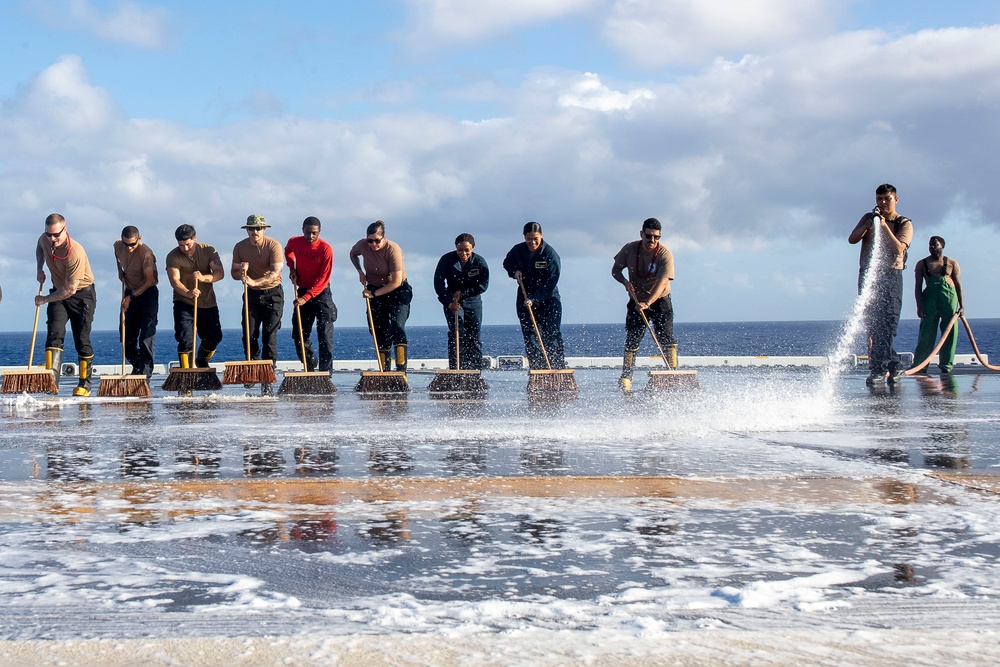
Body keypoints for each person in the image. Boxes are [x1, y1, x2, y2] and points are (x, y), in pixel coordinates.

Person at [849, 183, 913, 385]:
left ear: (895, 200)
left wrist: (884, 225)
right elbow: (852, 239)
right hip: (869, 274)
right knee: (874, 326)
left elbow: (898, 249)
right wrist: (869, 225)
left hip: (891, 275)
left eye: (887, 199)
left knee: (888, 325)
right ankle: (892, 366)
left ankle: (881, 368)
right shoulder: (869, 218)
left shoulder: (903, 223)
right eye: (879, 199)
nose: (883, 203)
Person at [35, 213, 97, 396]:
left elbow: (70, 290)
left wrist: (45, 299)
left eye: (56, 235)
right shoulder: (44, 239)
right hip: (57, 290)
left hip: (81, 295)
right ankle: (52, 383)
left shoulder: (75, 253)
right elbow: (39, 248)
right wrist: (40, 268)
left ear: (65, 229)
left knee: (81, 338)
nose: (52, 239)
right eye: (49, 234)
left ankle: (85, 384)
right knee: (54, 333)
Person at [611, 217, 675, 391]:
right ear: (642, 234)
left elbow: (662, 283)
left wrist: (647, 303)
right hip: (636, 299)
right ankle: (626, 376)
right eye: (649, 236)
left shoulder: (665, 254)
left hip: (659, 300)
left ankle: (672, 372)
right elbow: (615, 270)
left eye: (656, 237)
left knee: (667, 339)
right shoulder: (630, 249)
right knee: (632, 340)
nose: (652, 240)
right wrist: (625, 282)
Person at [349, 220, 412, 373]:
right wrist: (360, 272)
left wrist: (374, 294)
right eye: (370, 241)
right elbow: (353, 254)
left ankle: (401, 370)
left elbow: (396, 282)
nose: (374, 244)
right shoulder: (362, 245)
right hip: (374, 288)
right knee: (378, 330)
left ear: (384, 237)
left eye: (377, 241)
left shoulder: (393, 249)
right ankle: (385, 371)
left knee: (397, 326)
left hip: (397, 291)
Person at [502, 221, 566, 370]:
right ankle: (538, 369)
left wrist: (536, 299)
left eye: (535, 238)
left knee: (551, 335)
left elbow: (552, 280)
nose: (532, 242)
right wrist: (514, 271)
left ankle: (557, 369)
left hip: (548, 298)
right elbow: (507, 263)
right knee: (531, 336)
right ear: (524, 237)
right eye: (529, 239)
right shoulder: (517, 250)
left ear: (541, 236)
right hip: (525, 297)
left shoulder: (550, 254)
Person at [165, 224, 225, 368]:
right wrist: (188, 293)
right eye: (181, 245)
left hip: (207, 302)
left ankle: (201, 360)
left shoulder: (208, 250)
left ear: (195, 238)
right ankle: (186, 379)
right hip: (183, 302)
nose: (185, 249)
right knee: (185, 340)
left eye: (188, 244)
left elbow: (219, 273)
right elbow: (174, 281)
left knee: (214, 338)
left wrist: (204, 278)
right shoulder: (173, 256)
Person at [231, 214, 284, 368]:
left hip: (272, 294)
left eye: (258, 228)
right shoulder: (239, 247)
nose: (255, 232)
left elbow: (275, 273)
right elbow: (233, 273)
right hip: (251, 296)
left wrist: (254, 282)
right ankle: (252, 368)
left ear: (264, 229)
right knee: (249, 334)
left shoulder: (274, 245)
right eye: (252, 229)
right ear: (247, 230)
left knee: (269, 335)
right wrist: (241, 272)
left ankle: (268, 371)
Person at [285, 216, 337, 373]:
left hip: (321, 293)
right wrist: (292, 268)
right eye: (308, 232)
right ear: (302, 230)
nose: (311, 236)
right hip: (302, 289)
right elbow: (288, 252)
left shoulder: (326, 249)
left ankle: (325, 373)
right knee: (299, 333)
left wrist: (306, 298)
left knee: (324, 335)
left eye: (314, 233)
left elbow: (324, 279)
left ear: (319, 232)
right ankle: (310, 365)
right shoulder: (294, 241)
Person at [433, 233, 490, 370]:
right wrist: (448, 302)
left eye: (467, 250)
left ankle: (475, 371)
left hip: (473, 300)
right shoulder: (446, 260)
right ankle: (456, 369)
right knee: (457, 333)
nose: (463, 253)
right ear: (456, 248)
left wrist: (464, 292)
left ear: (472, 248)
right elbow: (438, 283)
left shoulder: (479, 262)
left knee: (474, 336)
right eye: (460, 250)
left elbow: (483, 285)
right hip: (452, 301)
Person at [913, 236, 964, 374]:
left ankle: (946, 364)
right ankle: (921, 364)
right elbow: (917, 287)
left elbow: (958, 285)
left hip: (948, 298)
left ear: (942, 246)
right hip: (929, 299)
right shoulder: (921, 264)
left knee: (950, 330)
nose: (932, 248)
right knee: (926, 332)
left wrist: (962, 305)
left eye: (935, 245)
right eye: (930, 245)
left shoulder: (952, 263)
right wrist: (919, 305)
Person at [113, 225, 158, 378]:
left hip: (147, 294)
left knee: (146, 335)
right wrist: (120, 270)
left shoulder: (146, 253)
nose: (129, 248)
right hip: (129, 291)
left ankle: (145, 375)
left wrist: (130, 297)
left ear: (139, 239)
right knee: (126, 336)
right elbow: (117, 253)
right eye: (126, 244)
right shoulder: (118, 245)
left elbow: (148, 281)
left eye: (133, 244)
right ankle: (137, 364)